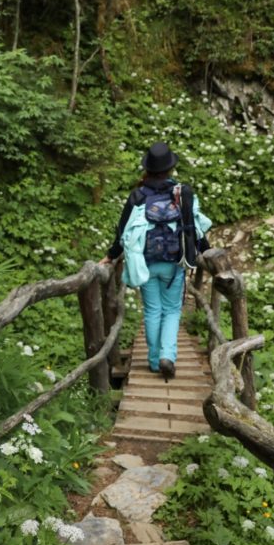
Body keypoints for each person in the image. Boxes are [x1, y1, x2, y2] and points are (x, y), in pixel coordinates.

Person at [100, 140, 211, 379]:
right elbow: (195, 227)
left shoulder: (138, 195)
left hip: (146, 262)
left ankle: (152, 361)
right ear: (170, 169)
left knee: (152, 311)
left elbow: (123, 231)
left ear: (148, 168)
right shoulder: (181, 193)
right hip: (175, 264)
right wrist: (206, 251)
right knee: (171, 310)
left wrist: (110, 256)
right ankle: (167, 356)